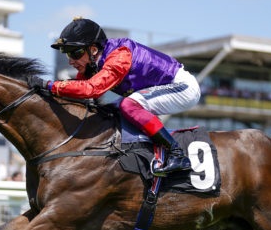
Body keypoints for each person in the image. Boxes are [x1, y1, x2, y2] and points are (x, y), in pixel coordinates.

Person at [32, 17, 201, 176]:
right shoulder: (94, 63)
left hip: (183, 88)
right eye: (67, 54)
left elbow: (90, 89)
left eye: (75, 53)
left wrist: (48, 85)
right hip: (163, 87)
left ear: (93, 49)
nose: (71, 61)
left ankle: (177, 154)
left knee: (128, 105)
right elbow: (76, 90)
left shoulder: (120, 56)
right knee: (113, 109)